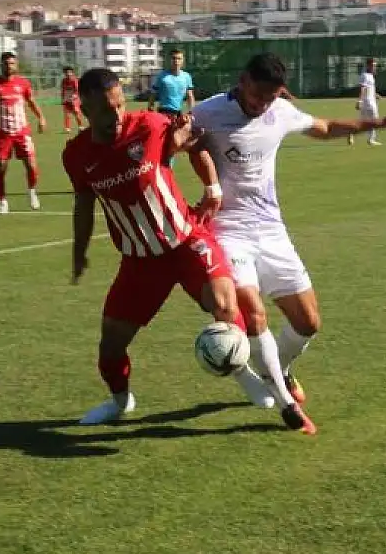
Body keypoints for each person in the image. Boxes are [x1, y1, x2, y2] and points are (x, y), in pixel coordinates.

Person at [66, 67, 316, 435]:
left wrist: (212, 188)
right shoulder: (76, 155)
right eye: (106, 109)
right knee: (110, 348)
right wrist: (79, 250)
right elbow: (84, 204)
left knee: (228, 307)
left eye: (120, 105)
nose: (116, 115)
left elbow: (194, 140)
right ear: (84, 109)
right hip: (140, 263)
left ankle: (281, 400)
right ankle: (120, 402)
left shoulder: (149, 125)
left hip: (187, 242)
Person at [187, 52, 386, 412]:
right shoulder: (207, 112)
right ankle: (280, 397)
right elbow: (175, 141)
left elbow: (325, 128)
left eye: (270, 97)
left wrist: (380, 124)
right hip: (228, 231)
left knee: (308, 322)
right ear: (243, 80)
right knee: (252, 312)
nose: (262, 105)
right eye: (257, 96)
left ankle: (276, 366)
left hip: (271, 230)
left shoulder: (278, 111)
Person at [0, 52, 47, 215]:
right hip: (3, 133)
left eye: (12, 63)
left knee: (31, 164)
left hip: (22, 132)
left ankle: (32, 191)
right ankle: (2, 201)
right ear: (1, 65)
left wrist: (41, 118)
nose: (9, 66)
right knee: (1, 166)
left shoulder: (23, 83)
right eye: (6, 63)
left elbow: (31, 101)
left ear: (16, 65)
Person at [148, 49, 195, 118]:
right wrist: (150, 110)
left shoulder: (186, 76)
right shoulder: (161, 76)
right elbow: (153, 95)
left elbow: (190, 96)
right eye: (174, 58)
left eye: (179, 58)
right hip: (163, 112)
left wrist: (191, 111)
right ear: (170, 60)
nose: (176, 61)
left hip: (178, 113)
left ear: (183, 60)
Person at [349, 57, 382, 146]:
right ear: (368, 65)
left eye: (375, 66)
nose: (374, 67)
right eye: (373, 65)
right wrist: (359, 101)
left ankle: (351, 133)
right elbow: (362, 88)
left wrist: (375, 94)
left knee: (362, 122)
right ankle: (371, 139)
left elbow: (369, 89)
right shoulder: (365, 75)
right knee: (374, 120)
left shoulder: (371, 76)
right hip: (368, 102)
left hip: (369, 101)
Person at [60, 66, 84, 133]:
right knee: (67, 113)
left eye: (69, 72)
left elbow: (77, 90)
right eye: (66, 72)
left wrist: (74, 96)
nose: (67, 74)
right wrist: (62, 98)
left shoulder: (74, 80)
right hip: (66, 98)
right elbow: (63, 90)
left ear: (72, 73)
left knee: (76, 112)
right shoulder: (63, 81)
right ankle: (67, 128)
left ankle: (80, 126)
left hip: (74, 99)